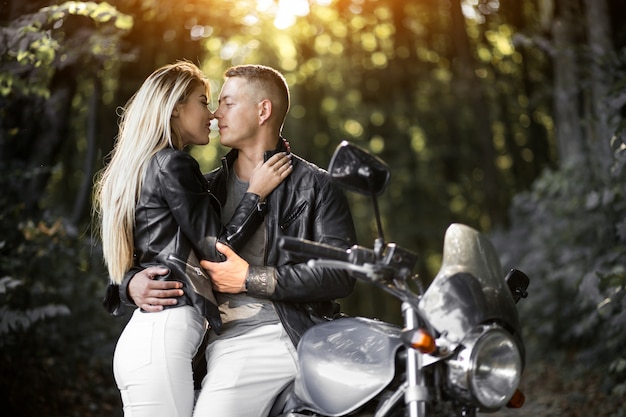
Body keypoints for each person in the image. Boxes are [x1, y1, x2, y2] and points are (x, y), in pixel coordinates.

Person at [121, 64, 357, 417]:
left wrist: (251, 278)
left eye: (227, 103)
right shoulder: (207, 185)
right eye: (212, 103)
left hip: (276, 335)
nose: (215, 113)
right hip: (210, 343)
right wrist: (131, 282)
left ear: (263, 111)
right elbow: (160, 247)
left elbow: (340, 274)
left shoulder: (315, 186)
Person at [93, 61, 292, 417]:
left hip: (151, 338)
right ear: (175, 108)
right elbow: (216, 251)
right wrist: (255, 195)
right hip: (162, 337)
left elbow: (150, 250)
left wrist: (127, 284)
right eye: (203, 101)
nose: (212, 114)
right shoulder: (174, 165)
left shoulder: (146, 166)